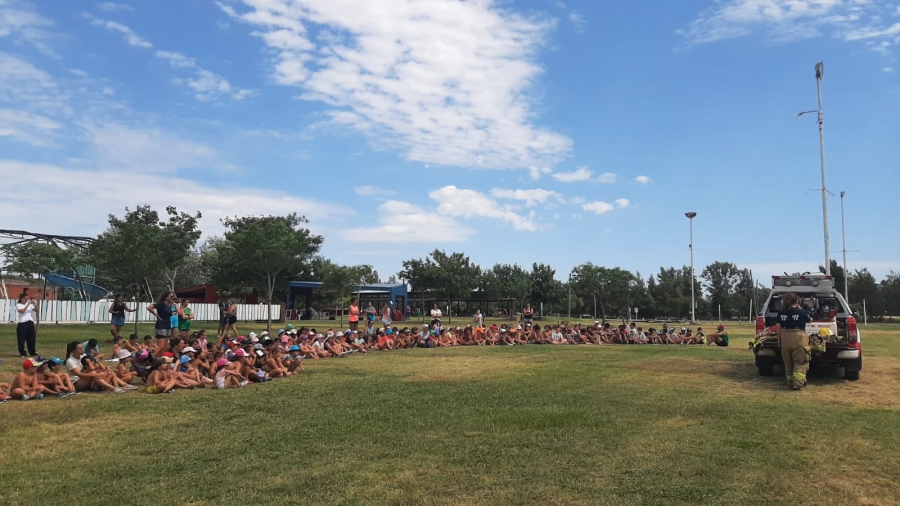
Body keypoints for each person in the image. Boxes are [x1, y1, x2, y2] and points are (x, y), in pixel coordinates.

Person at [777, 292, 812, 390]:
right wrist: (800, 309)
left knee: (788, 362)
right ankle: (797, 384)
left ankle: (789, 382)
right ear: (797, 302)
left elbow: (778, 327)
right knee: (800, 361)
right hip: (799, 337)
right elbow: (809, 320)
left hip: (785, 337)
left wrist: (779, 340)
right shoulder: (801, 312)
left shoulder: (781, 313)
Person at [147, 291, 176, 357]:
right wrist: (156, 315)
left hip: (168, 325)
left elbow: (167, 313)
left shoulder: (170, 305)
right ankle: (151, 360)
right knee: (161, 346)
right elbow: (149, 308)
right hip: (161, 325)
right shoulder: (161, 304)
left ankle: (158, 358)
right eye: (171, 296)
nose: (173, 298)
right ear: (166, 297)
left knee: (166, 346)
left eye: (173, 296)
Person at [15, 292, 38, 358]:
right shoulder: (19, 305)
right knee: (21, 339)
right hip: (22, 323)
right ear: (21, 298)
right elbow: (22, 312)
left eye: (27, 298)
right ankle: (22, 353)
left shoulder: (30, 305)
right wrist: (27, 305)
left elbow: (37, 310)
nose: (26, 300)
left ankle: (32, 352)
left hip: (30, 322)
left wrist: (34, 304)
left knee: (31, 338)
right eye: (25, 298)